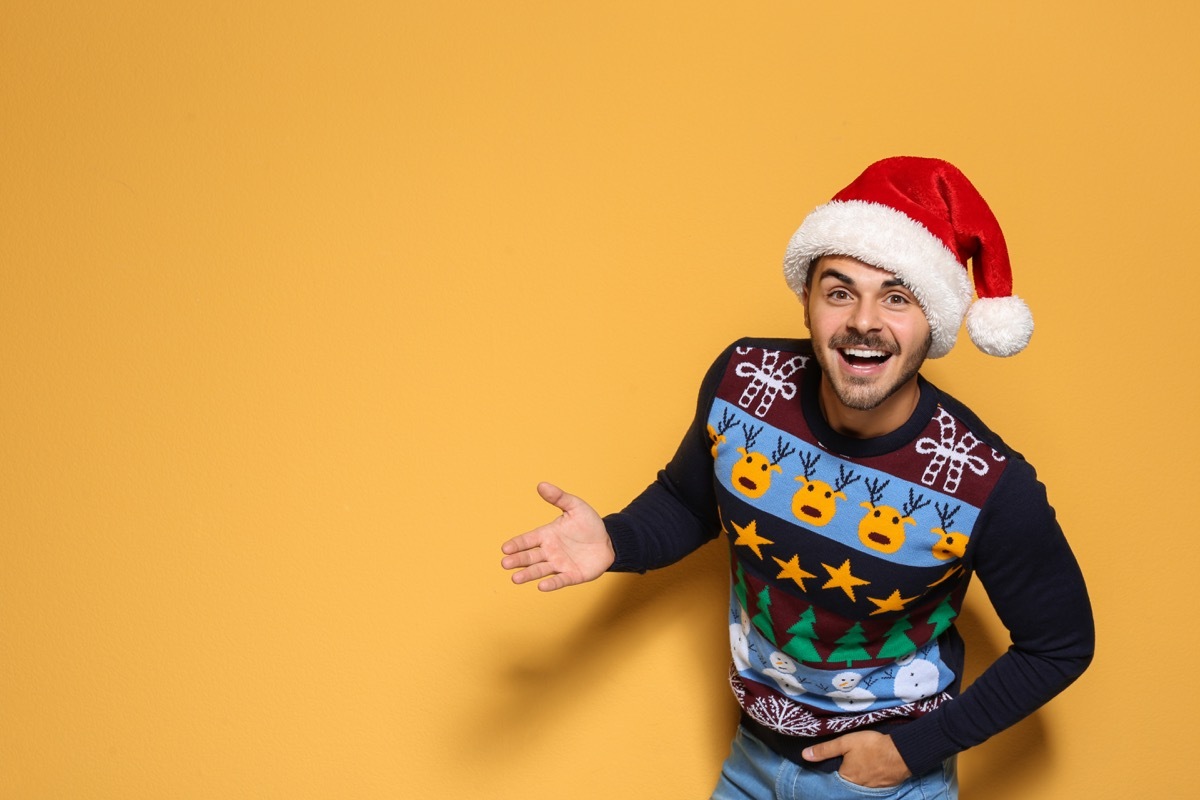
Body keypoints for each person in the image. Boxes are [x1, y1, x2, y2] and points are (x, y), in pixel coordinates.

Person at [500, 157, 1094, 799]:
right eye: (840, 292)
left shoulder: (985, 482)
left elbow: (1059, 645)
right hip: (754, 757)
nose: (864, 320)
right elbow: (689, 500)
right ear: (807, 303)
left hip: (881, 785)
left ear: (935, 321)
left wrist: (910, 752)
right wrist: (616, 541)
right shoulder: (745, 383)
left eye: (897, 297)